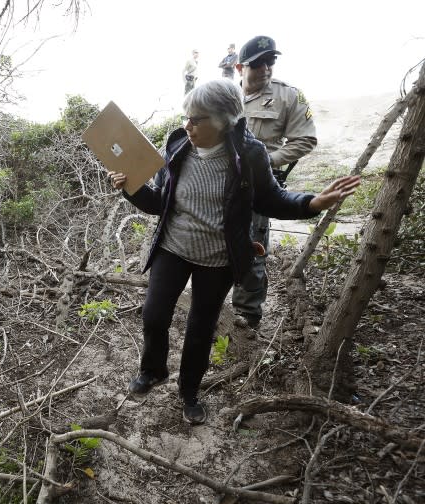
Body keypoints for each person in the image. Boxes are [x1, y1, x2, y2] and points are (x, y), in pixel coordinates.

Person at [108, 79, 358, 424]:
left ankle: (189, 392)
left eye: (197, 119)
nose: (187, 125)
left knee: (200, 329)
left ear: (224, 120)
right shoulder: (178, 145)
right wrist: (130, 188)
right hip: (174, 247)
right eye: (186, 117)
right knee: (153, 316)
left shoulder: (248, 154)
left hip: (218, 258)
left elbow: (271, 199)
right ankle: (153, 370)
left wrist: (311, 202)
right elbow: (158, 204)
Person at [230, 35, 318, 328]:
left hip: (257, 184)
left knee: (251, 246)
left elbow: (305, 138)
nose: (266, 68)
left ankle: (247, 313)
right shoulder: (225, 93)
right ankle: (214, 303)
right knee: (216, 242)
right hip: (220, 182)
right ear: (241, 67)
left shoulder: (287, 96)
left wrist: (267, 160)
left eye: (270, 62)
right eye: (258, 64)